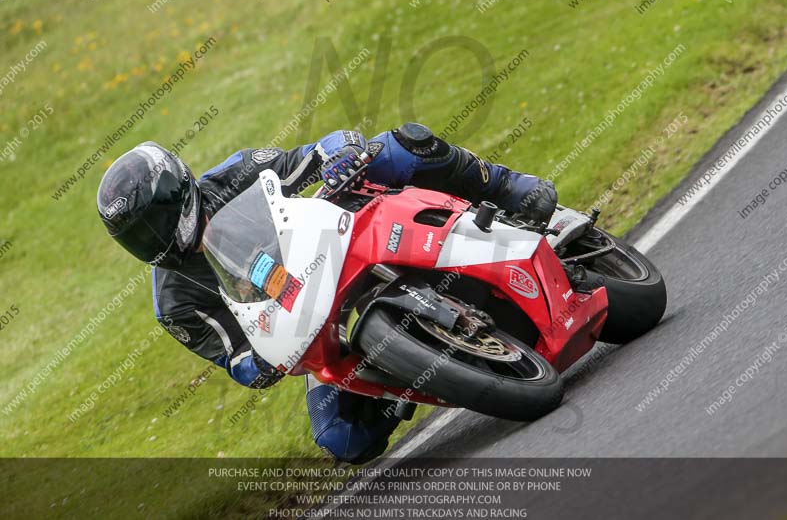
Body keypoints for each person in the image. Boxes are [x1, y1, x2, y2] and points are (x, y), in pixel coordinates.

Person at [96, 122, 557, 463]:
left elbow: (316, 153)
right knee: (343, 439)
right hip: (307, 324)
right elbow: (235, 359)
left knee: (400, 146)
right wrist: (262, 363)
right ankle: (416, 377)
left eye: (154, 223)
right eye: (138, 238)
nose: (153, 241)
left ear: (177, 192)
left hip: (334, 242)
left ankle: (508, 188)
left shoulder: (235, 173)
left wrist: (341, 151)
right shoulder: (174, 306)